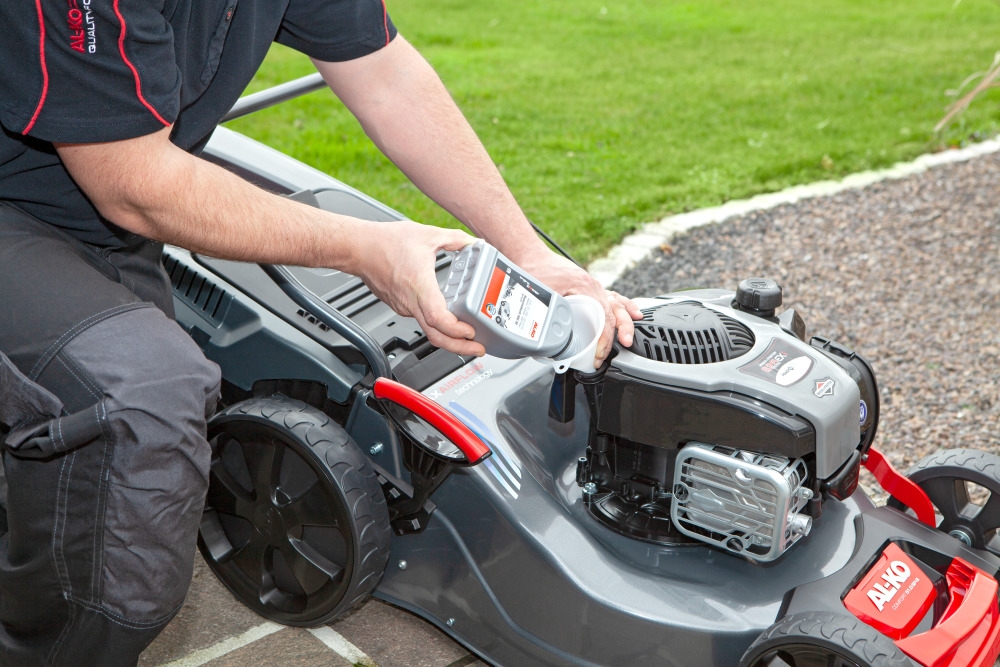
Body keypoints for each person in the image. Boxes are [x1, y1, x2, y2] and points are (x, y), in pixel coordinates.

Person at [0, 0, 640, 664]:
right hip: (30, 208)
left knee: (111, 472)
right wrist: (366, 250)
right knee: (143, 409)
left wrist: (527, 251)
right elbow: (134, 184)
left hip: (106, 219)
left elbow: (385, 74)